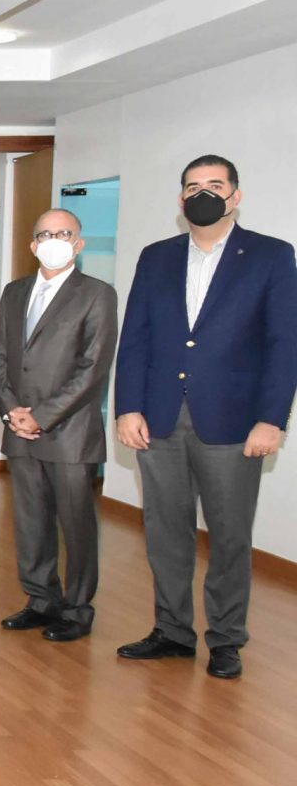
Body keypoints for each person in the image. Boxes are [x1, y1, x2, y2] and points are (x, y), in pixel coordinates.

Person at [114, 155, 296, 679]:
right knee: (164, 532)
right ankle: (172, 631)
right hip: (159, 417)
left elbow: (284, 343)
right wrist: (128, 407)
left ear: (236, 195)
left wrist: (272, 419)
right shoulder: (157, 257)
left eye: (215, 185)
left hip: (234, 422)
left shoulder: (270, 255)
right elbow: (136, 338)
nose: (204, 194)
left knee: (229, 536)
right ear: (181, 199)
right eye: (193, 186)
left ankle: (226, 639)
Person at [0, 210, 118, 643]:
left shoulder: (97, 294)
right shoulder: (14, 292)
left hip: (70, 433)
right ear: (33, 245)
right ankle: (41, 600)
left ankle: (77, 609)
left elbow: (92, 369)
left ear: (79, 243)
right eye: (45, 234)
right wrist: (12, 411)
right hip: (19, 430)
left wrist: (41, 416)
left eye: (64, 233)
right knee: (31, 522)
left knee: (76, 526)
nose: (54, 240)